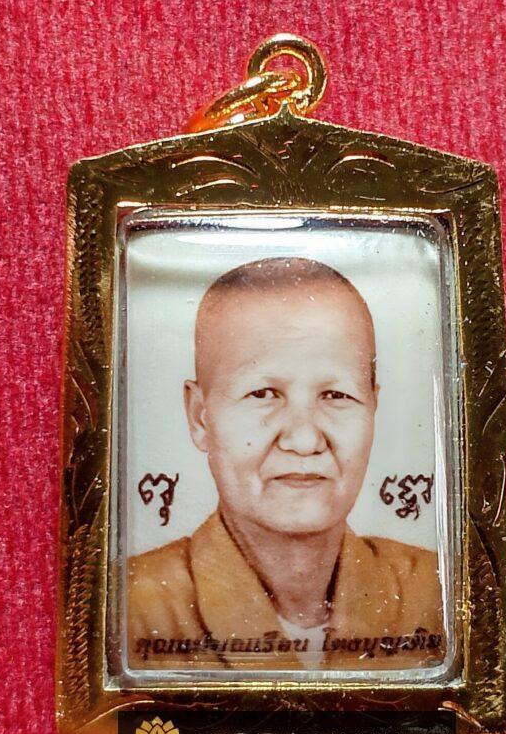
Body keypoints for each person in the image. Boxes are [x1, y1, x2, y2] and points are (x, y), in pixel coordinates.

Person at [127, 257, 444, 671]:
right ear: (200, 417)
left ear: (373, 408)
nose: (304, 440)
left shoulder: (434, 592)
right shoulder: (135, 605)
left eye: (337, 396)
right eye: (263, 394)